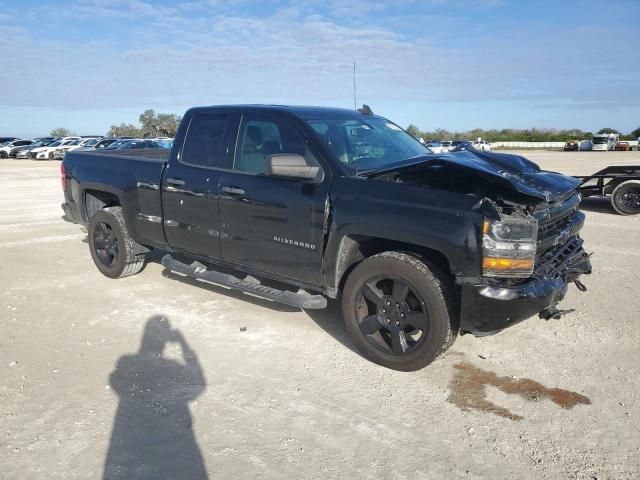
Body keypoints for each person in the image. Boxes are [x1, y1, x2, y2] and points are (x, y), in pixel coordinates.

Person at [103, 315, 207, 479]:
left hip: (131, 439)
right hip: (170, 443)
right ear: (166, 339)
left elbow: (114, 379)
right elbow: (199, 383)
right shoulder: (173, 368)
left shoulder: (127, 362)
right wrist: (183, 344)